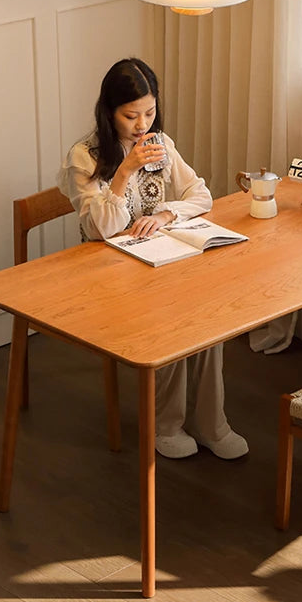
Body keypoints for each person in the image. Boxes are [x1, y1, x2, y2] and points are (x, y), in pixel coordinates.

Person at [57, 57, 248, 461]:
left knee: (208, 318)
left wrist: (164, 214)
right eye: (131, 115)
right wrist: (124, 172)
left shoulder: (161, 144)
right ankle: (167, 425)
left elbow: (201, 195)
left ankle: (212, 424)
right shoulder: (84, 157)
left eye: (150, 111)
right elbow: (101, 230)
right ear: (109, 112)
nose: (142, 124)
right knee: (174, 319)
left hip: (157, 261)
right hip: (102, 274)